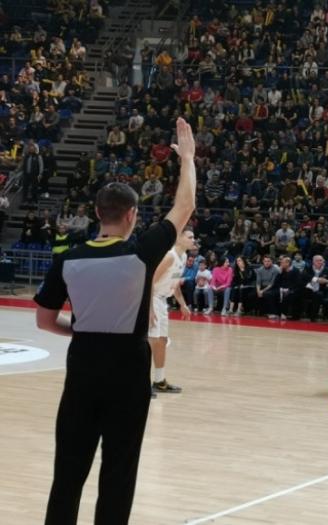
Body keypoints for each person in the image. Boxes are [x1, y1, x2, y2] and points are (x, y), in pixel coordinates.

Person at [34, 117, 196, 524]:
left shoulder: (67, 259)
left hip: (83, 367)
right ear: (132, 215)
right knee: (118, 473)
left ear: (96, 212)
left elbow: (44, 321)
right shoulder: (142, 253)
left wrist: (80, 330)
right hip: (128, 370)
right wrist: (188, 159)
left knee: (67, 473)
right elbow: (184, 206)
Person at [148, 226, 195, 396]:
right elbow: (149, 281)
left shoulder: (184, 257)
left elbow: (174, 284)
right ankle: (139, 384)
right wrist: (149, 309)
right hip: (152, 298)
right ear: (179, 238)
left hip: (162, 300)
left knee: (161, 340)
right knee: (151, 341)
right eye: (190, 237)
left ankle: (159, 381)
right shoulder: (169, 257)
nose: (193, 240)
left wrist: (182, 304)